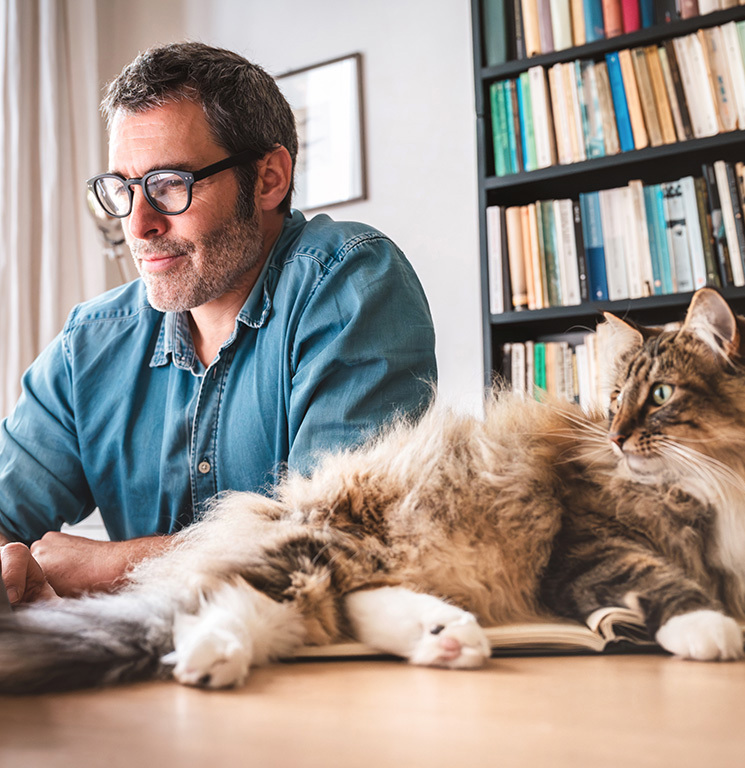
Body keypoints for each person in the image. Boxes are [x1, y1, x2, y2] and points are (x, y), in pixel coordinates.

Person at [0, 42, 436, 605]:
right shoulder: (90, 343)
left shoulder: (350, 280)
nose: (138, 224)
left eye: (169, 184)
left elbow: (341, 539)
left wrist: (112, 566)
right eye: (124, 188)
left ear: (269, 179)